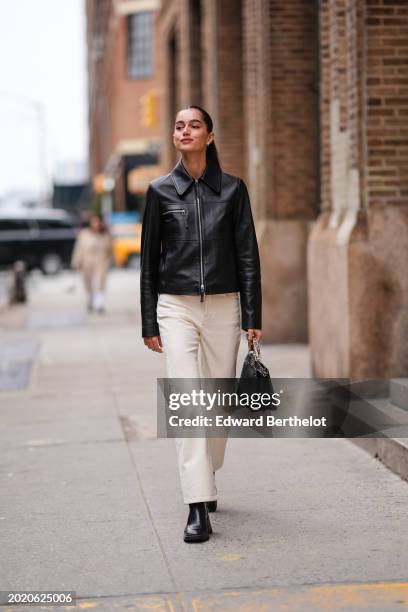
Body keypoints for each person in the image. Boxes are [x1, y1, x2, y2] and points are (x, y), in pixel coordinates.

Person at [140, 105, 262, 543]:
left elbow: (248, 254)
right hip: (176, 307)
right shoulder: (159, 191)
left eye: (194, 124)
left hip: (224, 307)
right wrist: (148, 319)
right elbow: (149, 262)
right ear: (174, 137)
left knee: (218, 404)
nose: (185, 130)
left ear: (210, 136)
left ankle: (207, 473)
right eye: (179, 125)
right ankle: (196, 505)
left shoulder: (232, 190)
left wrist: (253, 316)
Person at [71, 213, 113, 313]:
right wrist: (76, 262)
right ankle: (90, 299)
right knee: (88, 283)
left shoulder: (104, 235)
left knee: (100, 283)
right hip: (87, 262)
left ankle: (99, 304)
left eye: (97, 221)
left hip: (101, 262)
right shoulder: (84, 234)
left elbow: (109, 250)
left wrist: (109, 261)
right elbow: (79, 249)